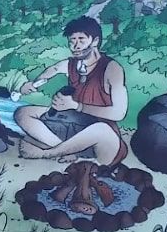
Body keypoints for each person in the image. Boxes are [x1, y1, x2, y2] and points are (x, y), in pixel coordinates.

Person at [14, 16, 129, 171]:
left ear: (94, 41)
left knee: (101, 129)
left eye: (81, 39)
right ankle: (67, 151)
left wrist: (77, 106)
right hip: (73, 125)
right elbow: (53, 70)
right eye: (72, 41)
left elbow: (119, 113)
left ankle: (48, 153)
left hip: (103, 139)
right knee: (23, 113)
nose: (75, 45)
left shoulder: (112, 68)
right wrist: (33, 84)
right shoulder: (72, 64)